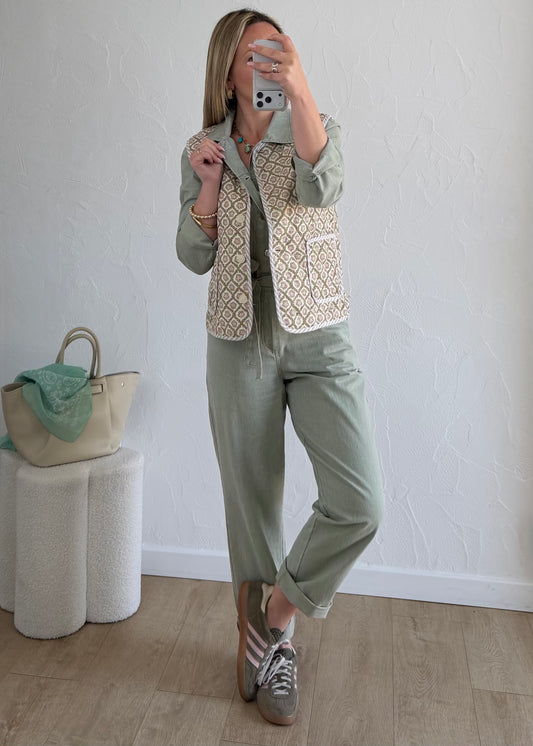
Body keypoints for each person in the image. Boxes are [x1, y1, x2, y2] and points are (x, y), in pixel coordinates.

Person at [176, 8, 385, 727]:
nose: (266, 61)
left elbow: (324, 189)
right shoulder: (203, 146)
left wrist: (299, 92)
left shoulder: (312, 124)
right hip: (239, 335)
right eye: (253, 54)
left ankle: (272, 617)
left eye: (277, 49)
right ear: (227, 71)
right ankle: (273, 655)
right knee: (252, 503)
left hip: (318, 330)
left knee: (360, 503)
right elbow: (192, 255)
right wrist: (208, 184)